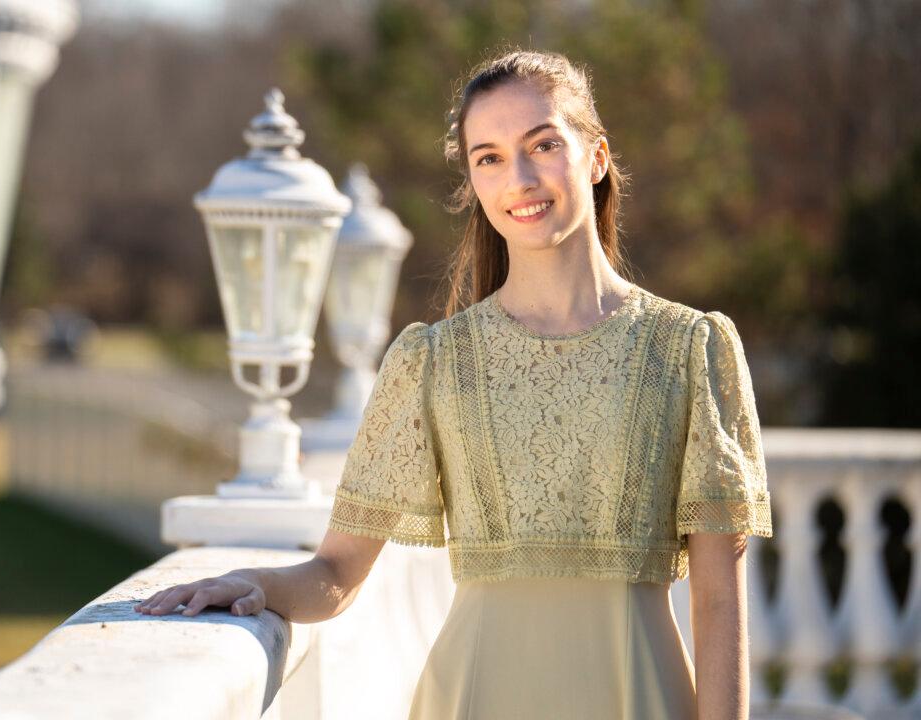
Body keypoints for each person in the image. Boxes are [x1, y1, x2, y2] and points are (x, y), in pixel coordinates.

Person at [134, 48, 773, 720]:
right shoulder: (433, 363)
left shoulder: (691, 349)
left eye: (543, 144)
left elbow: (719, 600)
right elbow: (337, 574)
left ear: (597, 157)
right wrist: (253, 581)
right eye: (488, 157)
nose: (519, 179)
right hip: (474, 698)